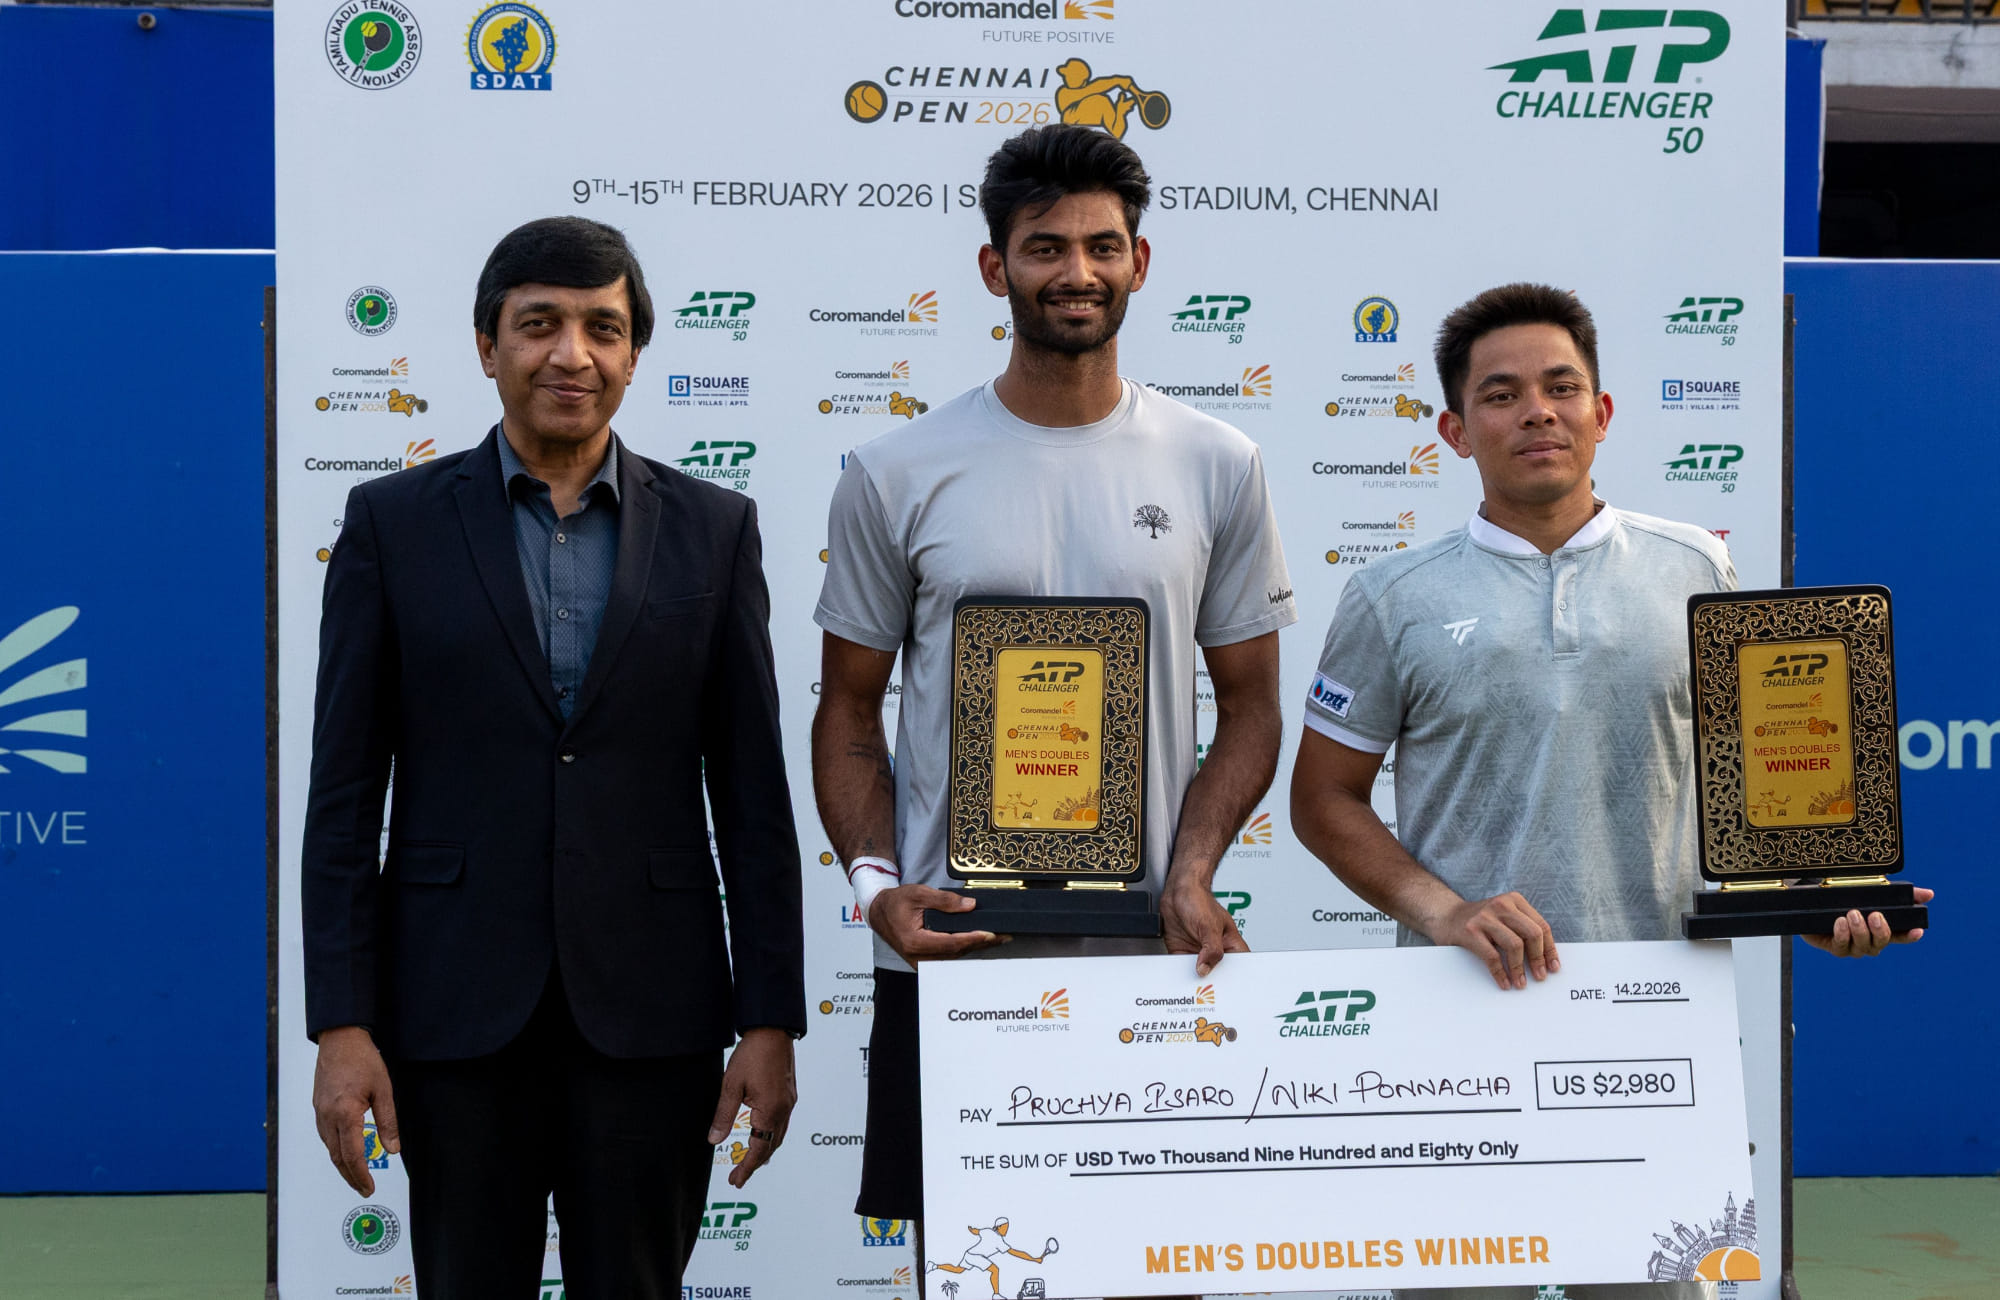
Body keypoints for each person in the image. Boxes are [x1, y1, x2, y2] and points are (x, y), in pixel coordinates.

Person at [1289, 282, 1930, 1300]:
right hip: (1456, 1025)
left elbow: (1760, 792)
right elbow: (1322, 799)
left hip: (1650, 1027)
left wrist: (1807, 898)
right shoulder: (1389, 597)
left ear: (1602, 412)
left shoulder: (1698, 567)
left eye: (1560, 386)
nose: (1534, 410)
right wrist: (1444, 910)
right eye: (1499, 395)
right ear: (1455, 431)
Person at [811, 123, 1296, 1299]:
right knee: (971, 1278)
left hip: (1146, 954)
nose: (1073, 272)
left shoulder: (1216, 461)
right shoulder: (894, 469)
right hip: (956, 954)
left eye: (1099, 246)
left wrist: (1188, 870)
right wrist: (877, 888)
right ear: (994, 269)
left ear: (1139, 260)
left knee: (1151, 1273)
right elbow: (845, 710)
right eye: (1043, 248)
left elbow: (1250, 708)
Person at [303, 216, 804, 1299]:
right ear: (487, 346)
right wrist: (342, 1023)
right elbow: (343, 797)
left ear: (632, 354)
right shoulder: (392, 525)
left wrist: (770, 1018)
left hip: (653, 1013)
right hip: (451, 1015)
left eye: (601, 328)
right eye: (538, 325)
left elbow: (754, 800)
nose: (570, 353)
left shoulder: (716, 530)